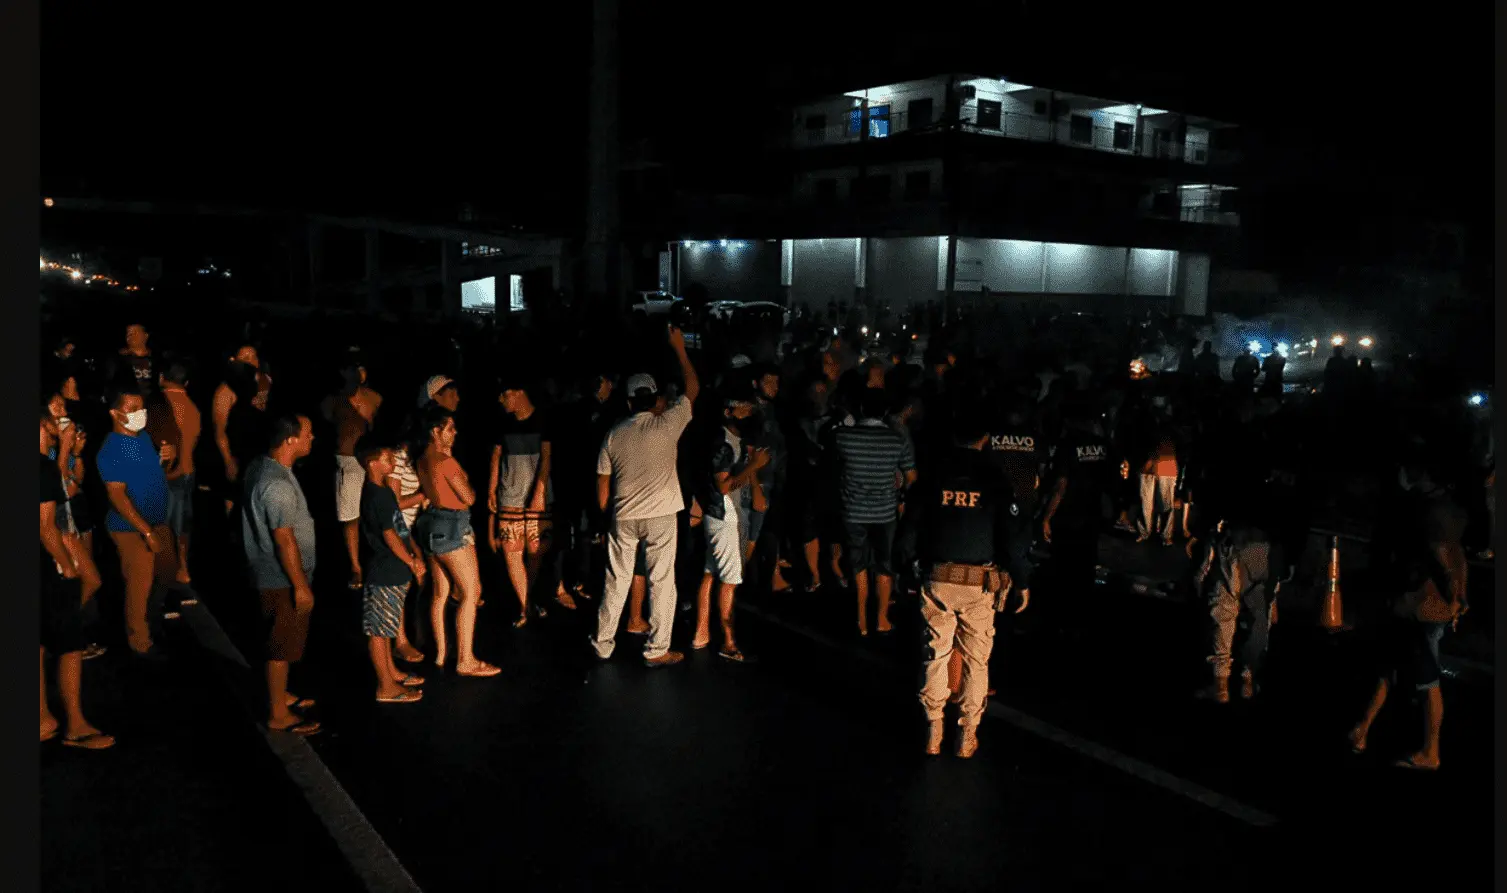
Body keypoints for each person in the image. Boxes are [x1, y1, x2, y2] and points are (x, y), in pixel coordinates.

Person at [1347, 459, 1469, 771]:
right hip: (1419, 607)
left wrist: (1453, 597)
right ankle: (1363, 728)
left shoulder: (1429, 511)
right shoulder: (1441, 506)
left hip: (1422, 609)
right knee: (1389, 666)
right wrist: (1459, 596)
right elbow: (1456, 556)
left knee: (1427, 681)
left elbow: (1446, 555)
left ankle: (1431, 752)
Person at [591, 324, 700, 668]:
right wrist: (680, 349)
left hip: (623, 516)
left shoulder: (613, 435)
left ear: (627, 401)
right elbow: (693, 388)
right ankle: (657, 649)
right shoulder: (667, 424)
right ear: (654, 399)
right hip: (662, 514)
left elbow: (602, 489)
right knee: (662, 582)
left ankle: (603, 642)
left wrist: (605, 517)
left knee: (616, 581)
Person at [912, 418, 1022, 758]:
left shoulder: (933, 474)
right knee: (977, 660)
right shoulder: (995, 479)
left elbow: (911, 526)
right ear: (985, 437)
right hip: (979, 583)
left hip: (939, 577)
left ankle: (934, 728)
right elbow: (1012, 536)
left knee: (936, 654)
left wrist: (908, 565)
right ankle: (967, 734)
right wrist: (1022, 577)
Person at [241, 414, 321, 735]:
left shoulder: (263, 467)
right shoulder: (276, 484)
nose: (312, 438)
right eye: (308, 433)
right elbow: (284, 539)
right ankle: (277, 713)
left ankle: (280, 693)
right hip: (281, 577)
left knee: (278, 638)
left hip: (267, 573)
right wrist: (300, 586)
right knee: (281, 645)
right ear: (290, 440)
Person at [40, 408, 114, 750]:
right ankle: (75, 725)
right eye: (55, 414)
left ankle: (43, 718)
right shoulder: (42, 465)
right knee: (70, 643)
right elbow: (46, 524)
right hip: (52, 557)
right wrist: (66, 564)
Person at [415, 406, 499, 677]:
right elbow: (469, 497)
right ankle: (466, 659)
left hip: (430, 524)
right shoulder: (445, 462)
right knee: (471, 593)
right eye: (450, 428)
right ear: (435, 431)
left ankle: (441, 654)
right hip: (452, 526)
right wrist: (463, 475)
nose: (455, 432)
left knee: (440, 593)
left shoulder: (423, 460)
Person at [96, 387, 175, 658]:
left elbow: (152, 476)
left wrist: (165, 461)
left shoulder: (142, 438)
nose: (139, 415)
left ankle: (153, 626)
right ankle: (139, 642)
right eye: (132, 409)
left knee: (162, 576)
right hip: (130, 529)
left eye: (141, 409)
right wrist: (145, 531)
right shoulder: (110, 451)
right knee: (139, 584)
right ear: (114, 413)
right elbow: (117, 497)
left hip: (156, 522)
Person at [832, 388, 917, 636]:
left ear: (860, 409)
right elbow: (912, 477)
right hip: (885, 513)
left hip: (853, 510)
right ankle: (881, 618)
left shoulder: (843, 437)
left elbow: (833, 469)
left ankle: (860, 620)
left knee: (857, 564)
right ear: (887, 412)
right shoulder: (896, 439)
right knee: (884, 565)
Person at [692, 395, 769, 660]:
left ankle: (701, 632)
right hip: (723, 516)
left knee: (710, 573)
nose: (750, 414)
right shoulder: (723, 445)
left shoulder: (730, 441)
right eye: (744, 409)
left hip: (720, 514)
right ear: (729, 412)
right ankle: (728, 641)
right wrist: (753, 467)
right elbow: (724, 486)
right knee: (729, 581)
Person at [357, 439, 426, 703]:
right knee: (378, 630)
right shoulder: (379, 494)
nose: (393, 461)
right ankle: (385, 686)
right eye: (387, 458)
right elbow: (390, 534)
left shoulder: (380, 491)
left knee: (386, 627)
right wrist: (411, 561)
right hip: (385, 568)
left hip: (391, 568)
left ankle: (391, 673)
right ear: (372, 462)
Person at [490, 378, 563, 626]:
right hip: (510, 493)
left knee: (535, 550)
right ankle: (524, 606)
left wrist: (539, 491)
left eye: (504, 394)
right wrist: (492, 490)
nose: (501, 400)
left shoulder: (544, 419)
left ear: (519, 391)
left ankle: (528, 599)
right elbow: (496, 456)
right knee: (512, 551)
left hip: (535, 493)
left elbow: (547, 458)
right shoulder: (503, 422)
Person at [45, 390, 105, 659]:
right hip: (55, 523)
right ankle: (60, 635)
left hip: (71, 517)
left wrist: (76, 453)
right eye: (55, 404)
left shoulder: (58, 444)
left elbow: (75, 482)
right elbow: (59, 488)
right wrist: (67, 450)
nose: (62, 408)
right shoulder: (44, 449)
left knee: (89, 580)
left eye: (62, 403)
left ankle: (67, 633)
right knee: (85, 580)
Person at [325, 360, 382, 590]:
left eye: (360, 368)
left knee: (375, 510)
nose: (357, 373)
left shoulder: (374, 398)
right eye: (351, 368)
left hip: (370, 458)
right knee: (350, 516)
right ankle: (355, 566)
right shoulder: (332, 401)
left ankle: (378, 557)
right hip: (347, 460)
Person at [157, 361, 201, 596]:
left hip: (169, 473)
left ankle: (169, 572)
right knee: (182, 525)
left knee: (164, 526)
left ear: (162, 377)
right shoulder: (192, 407)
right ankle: (183, 567)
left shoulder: (161, 404)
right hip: (187, 471)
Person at [210, 345, 269, 516]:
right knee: (234, 502)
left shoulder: (266, 383)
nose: (250, 361)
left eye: (253, 356)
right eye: (245, 357)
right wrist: (228, 460)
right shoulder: (225, 390)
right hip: (237, 454)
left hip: (261, 456)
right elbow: (219, 429)